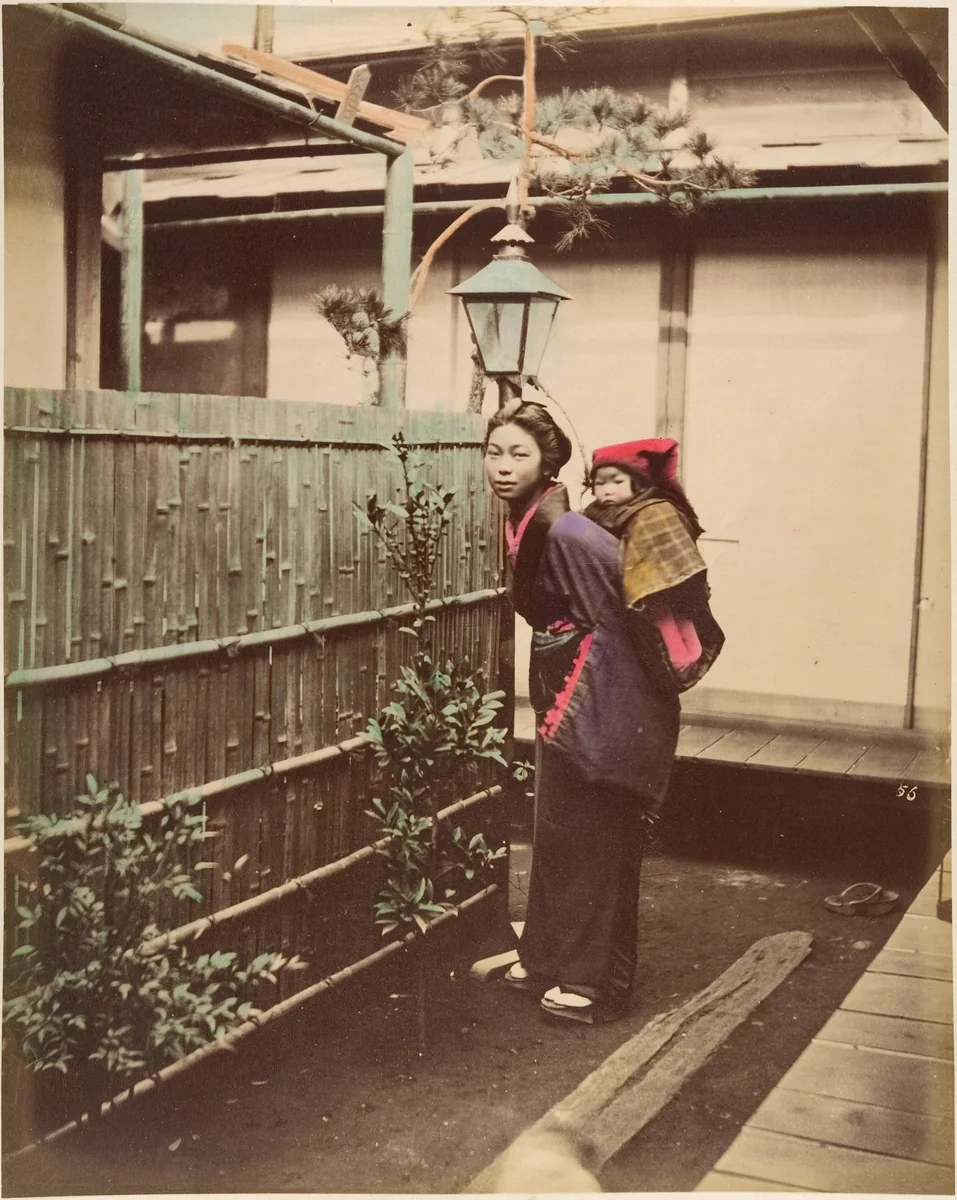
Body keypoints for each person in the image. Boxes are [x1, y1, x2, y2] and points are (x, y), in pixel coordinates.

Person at [484, 400, 679, 1025]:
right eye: (494, 452)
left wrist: (581, 704)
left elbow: (621, 618)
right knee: (557, 829)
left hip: (600, 691)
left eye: (519, 454)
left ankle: (597, 985)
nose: (503, 466)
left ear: (549, 461)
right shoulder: (524, 517)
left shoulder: (567, 530)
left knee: (596, 834)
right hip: (564, 687)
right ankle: (543, 958)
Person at [584, 439, 724, 697]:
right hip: (622, 598)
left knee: (670, 616)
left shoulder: (653, 510)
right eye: (599, 483)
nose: (606, 490)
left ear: (637, 482)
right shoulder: (595, 514)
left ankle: (683, 658)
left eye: (616, 481)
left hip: (659, 589)